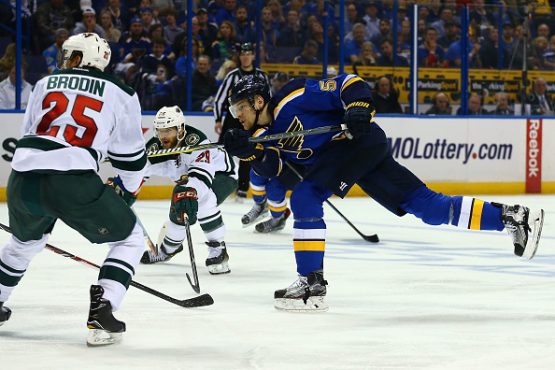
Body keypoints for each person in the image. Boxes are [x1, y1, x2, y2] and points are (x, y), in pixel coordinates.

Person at [222, 74, 544, 312]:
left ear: (258, 101)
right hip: (349, 157)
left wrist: (359, 107)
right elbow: (275, 172)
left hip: (358, 143)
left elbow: (349, 83)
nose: (237, 115)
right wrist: (248, 154)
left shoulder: (293, 96)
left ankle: (311, 282)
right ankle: (511, 217)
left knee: (307, 197)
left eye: (240, 107)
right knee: (428, 208)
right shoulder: (261, 137)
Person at [0, 33, 148, 345]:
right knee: (131, 237)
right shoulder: (121, 92)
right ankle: (103, 308)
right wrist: (128, 192)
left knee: (24, 243)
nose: (65, 60)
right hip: (72, 179)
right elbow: (131, 159)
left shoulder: (45, 82)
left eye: (70, 55)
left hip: (22, 178)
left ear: (81, 58)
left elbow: (32, 133)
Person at [140, 106, 237, 274]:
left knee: (202, 198)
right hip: (189, 181)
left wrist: (190, 191)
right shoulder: (156, 148)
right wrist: (122, 188)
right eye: (160, 131)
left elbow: (202, 176)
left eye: (168, 130)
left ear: (180, 129)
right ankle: (167, 250)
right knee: (181, 203)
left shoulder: (197, 141)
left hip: (221, 175)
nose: (163, 136)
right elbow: (138, 171)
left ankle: (218, 249)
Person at [213, 42, 270, 199]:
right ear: (240, 56)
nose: (245, 57)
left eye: (248, 53)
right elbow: (219, 99)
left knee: (249, 151)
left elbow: (268, 99)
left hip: (253, 119)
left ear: (253, 55)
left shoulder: (262, 76)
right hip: (232, 119)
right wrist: (218, 119)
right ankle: (217, 184)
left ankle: (243, 188)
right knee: (222, 151)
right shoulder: (232, 76)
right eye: (243, 54)